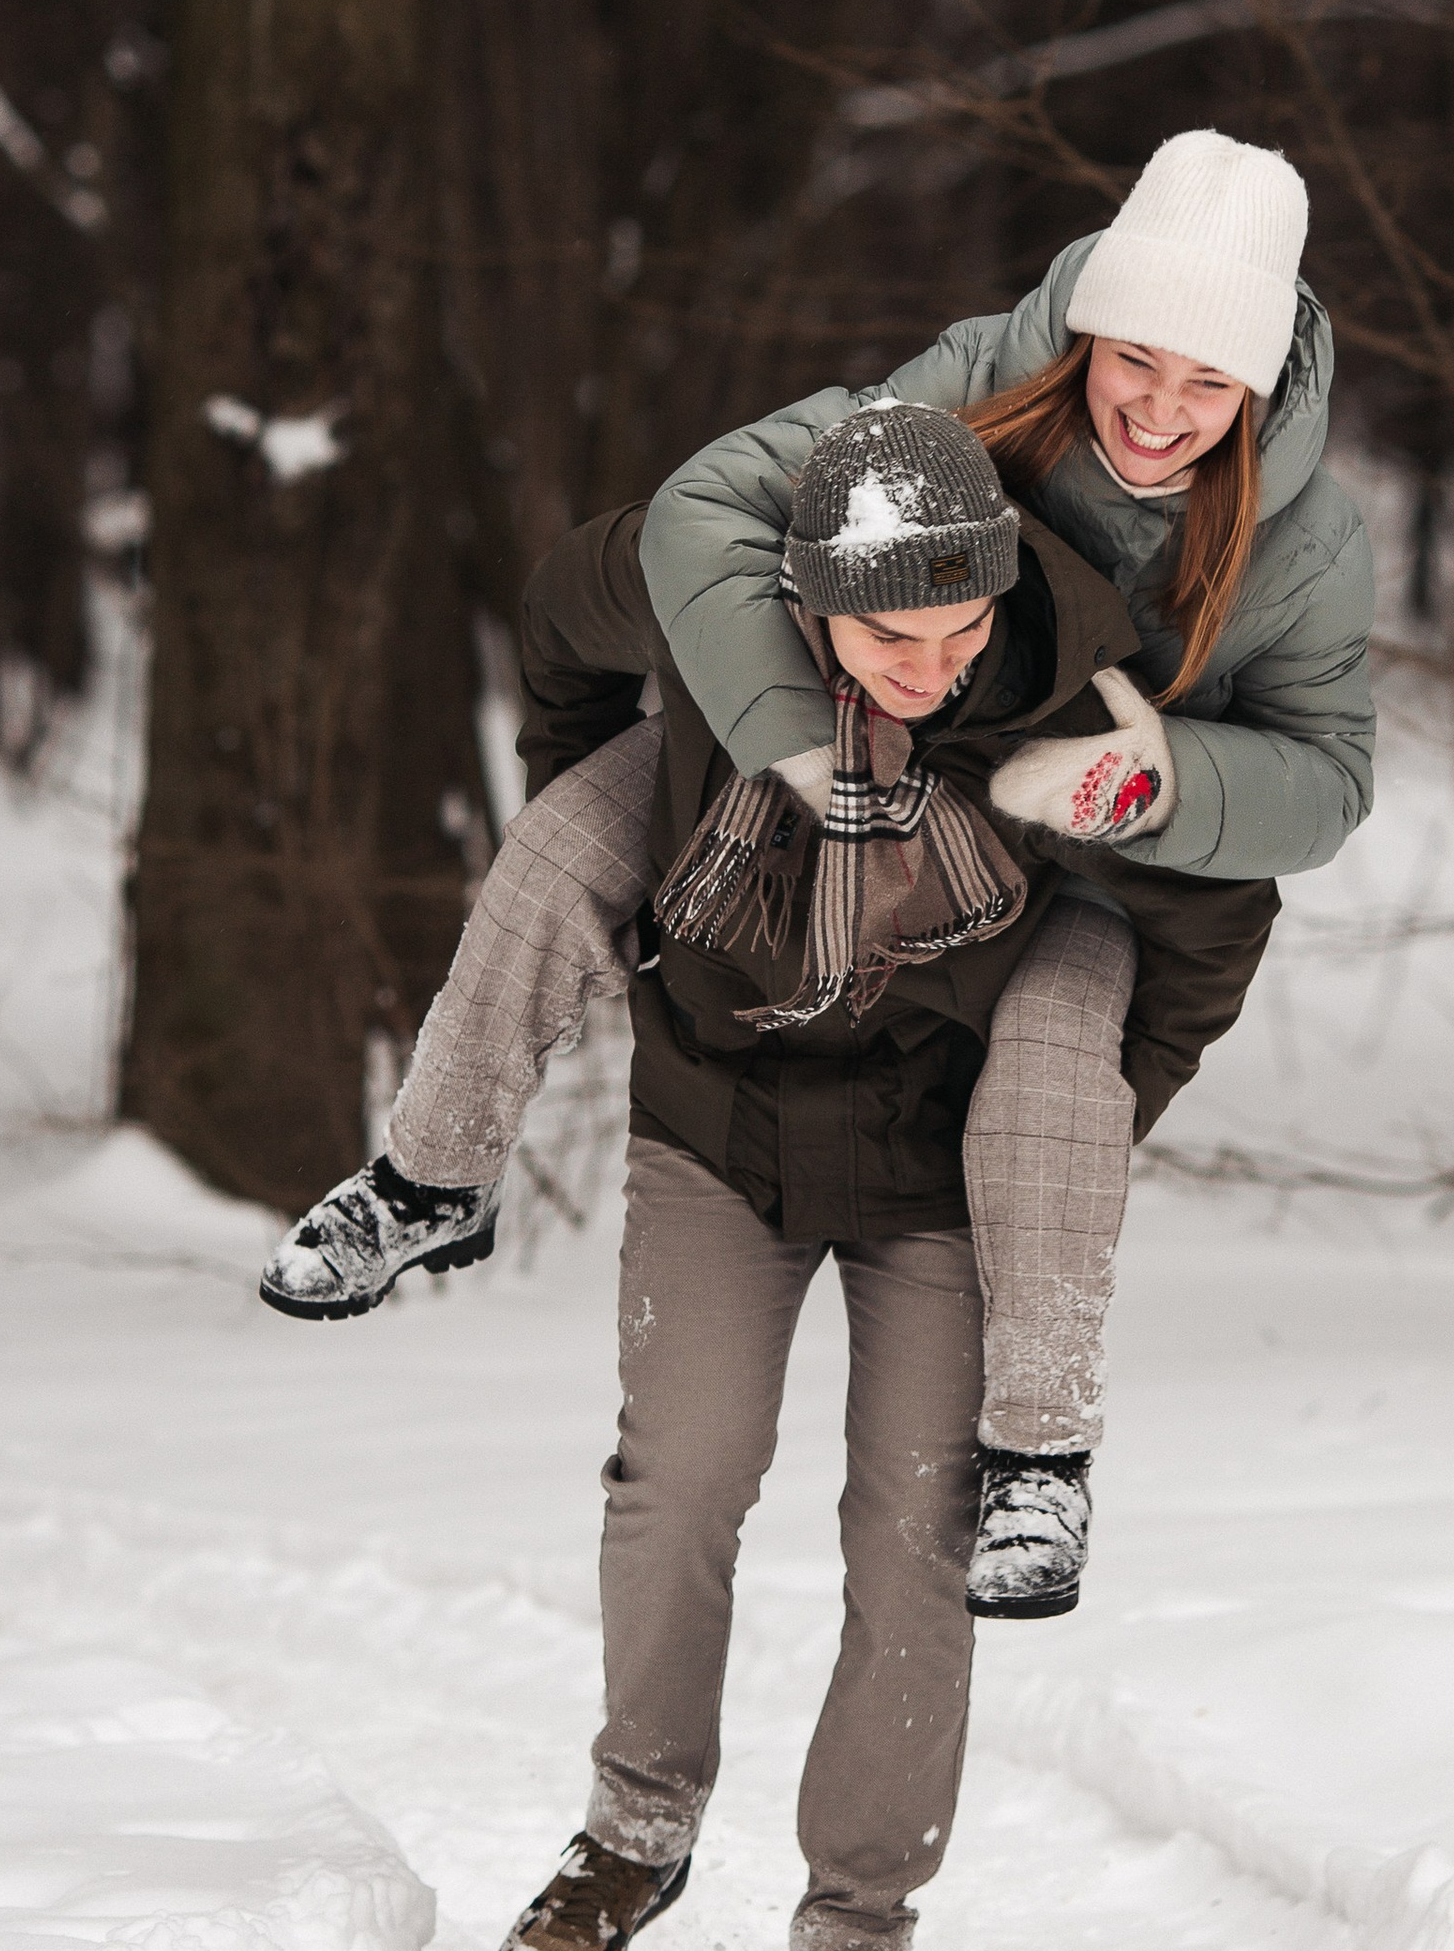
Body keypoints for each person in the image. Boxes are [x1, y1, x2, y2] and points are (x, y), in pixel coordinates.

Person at [261, 127, 1375, 1613]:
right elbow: (707, 510)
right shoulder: (967, 386)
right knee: (565, 846)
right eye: (1138, 361)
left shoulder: (1307, 542)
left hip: (1084, 852)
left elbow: (1332, 779)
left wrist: (1166, 783)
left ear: (1257, 387)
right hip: (848, 770)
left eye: (1208, 383)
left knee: (1053, 1056)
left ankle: (1041, 1463)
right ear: (1091, 325)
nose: (1163, 412)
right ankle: (431, 1174)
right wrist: (791, 745)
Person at [480, 404, 1278, 1951]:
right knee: (680, 1477)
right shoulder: (712, 621)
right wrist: (596, 810)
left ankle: (859, 1937)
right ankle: (629, 1845)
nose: (931, 664)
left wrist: (1093, 1115)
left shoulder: (1070, 694)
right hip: (719, 1128)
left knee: (923, 1537)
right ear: (803, 604)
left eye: (960, 624)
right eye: (888, 633)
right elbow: (559, 611)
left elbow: (1222, 895)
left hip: (937, 1164)